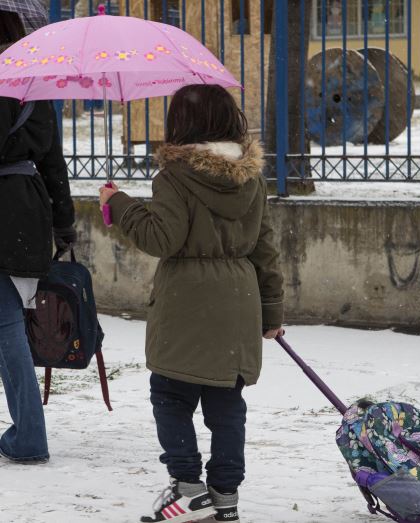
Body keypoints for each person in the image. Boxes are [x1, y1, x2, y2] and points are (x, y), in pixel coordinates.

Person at [98, 84, 284, 523]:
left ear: (181, 123)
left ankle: (187, 487)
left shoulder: (175, 176)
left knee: (171, 396)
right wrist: (272, 312)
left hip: (187, 300)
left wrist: (119, 204)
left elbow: (163, 238)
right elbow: (265, 249)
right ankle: (225, 494)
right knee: (226, 403)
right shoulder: (251, 177)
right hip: (239, 299)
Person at [0, 11, 76, 464]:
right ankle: (27, 433)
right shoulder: (34, 86)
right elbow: (54, 164)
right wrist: (64, 223)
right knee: (7, 324)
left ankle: (29, 436)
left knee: (7, 327)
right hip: (28, 214)